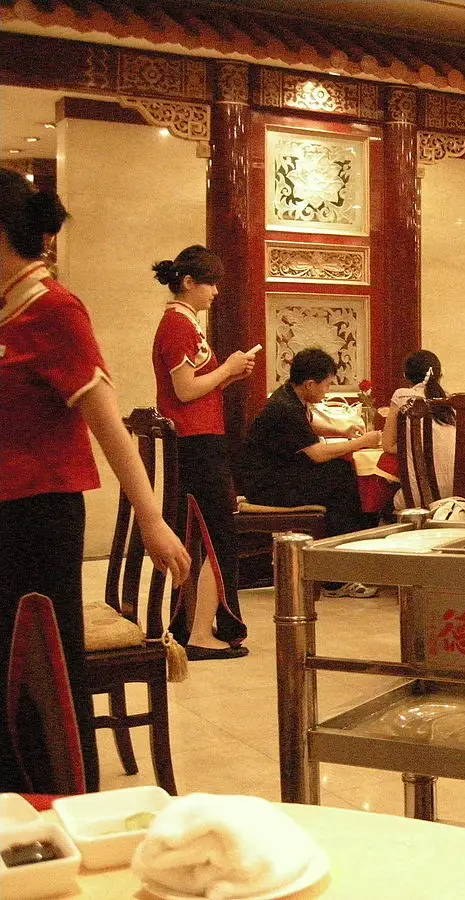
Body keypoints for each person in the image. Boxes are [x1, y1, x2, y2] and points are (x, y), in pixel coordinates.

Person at [0, 169, 190, 792]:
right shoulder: (6, 311)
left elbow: (108, 425)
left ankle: (59, 803)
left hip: (36, 519)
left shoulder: (54, 310)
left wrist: (153, 521)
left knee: (38, 674)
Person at [151, 245, 254, 661]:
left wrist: (228, 375)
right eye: (210, 283)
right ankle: (199, 633)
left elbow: (195, 389)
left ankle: (195, 625)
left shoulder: (184, 323)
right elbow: (184, 390)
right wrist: (226, 369)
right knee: (213, 535)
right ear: (189, 282)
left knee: (205, 534)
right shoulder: (178, 325)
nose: (215, 292)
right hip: (196, 442)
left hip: (198, 437)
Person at [241, 347, 382, 597]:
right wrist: (361, 442)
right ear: (309, 384)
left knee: (340, 473)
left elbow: (307, 426)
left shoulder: (289, 396)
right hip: (268, 487)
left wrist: (342, 432)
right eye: (326, 385)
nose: (328, 390)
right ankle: (334, 579)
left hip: (278, 477)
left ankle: (341, 567)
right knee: (341, 482)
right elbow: (317, 454)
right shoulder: (285, 408)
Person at [383, 349, 456, 500]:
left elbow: (388, 445)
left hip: (421, 496)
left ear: (406, 375)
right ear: (440, 374)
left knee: (386, 495)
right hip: (456, 493)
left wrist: (413, 445)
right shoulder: (450, 401)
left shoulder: (402, 396)